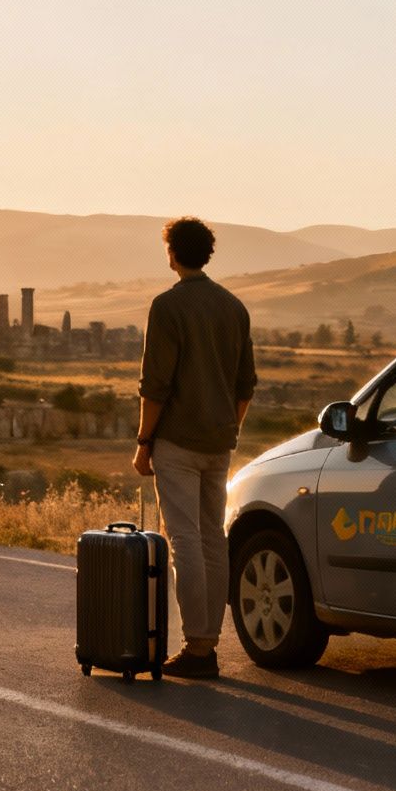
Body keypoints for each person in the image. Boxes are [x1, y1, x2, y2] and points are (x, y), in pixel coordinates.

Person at [132, 217, 255, 680]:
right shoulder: (234, 307)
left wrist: (145, 441)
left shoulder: (167, 306)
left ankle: (198, 648)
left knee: (185, 541)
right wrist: (231, 428)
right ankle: (209, 642)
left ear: (172, 254)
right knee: (213, 539)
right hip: (219, 441)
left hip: (178, 441)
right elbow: (246, 385)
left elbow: (156, 385)